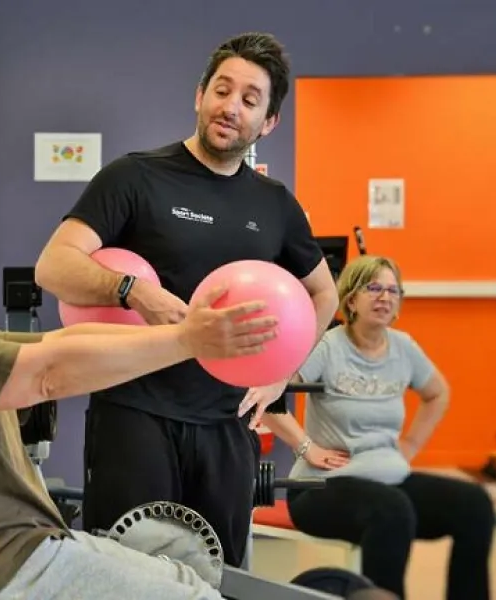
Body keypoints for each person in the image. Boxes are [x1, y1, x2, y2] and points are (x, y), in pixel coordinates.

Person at [0, 169, 285, 600]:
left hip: (9, 548)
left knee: (190, 576)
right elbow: (47, 374)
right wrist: (188, 341)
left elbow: (59, 342)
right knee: (199, 597)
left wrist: (177, 330)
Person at [34, 31, 340, 568]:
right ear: (199, 95)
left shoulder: (274, 205)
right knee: (130, 573)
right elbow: (54, 265)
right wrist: (130, 289)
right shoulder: (134, 177)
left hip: (227, 422)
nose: (231, 107)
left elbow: (323, 294)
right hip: (135, 411)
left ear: (267, 123)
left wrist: (277, 376)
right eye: (222, 90)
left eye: (250, 99)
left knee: (217, 575)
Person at [262, 255, 496, 600]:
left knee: (474, 503)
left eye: (392, 290)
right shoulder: (328, 346)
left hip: (388, 482)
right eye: (374, 288)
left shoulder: (403, 348)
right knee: (391, 509)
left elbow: (438, 393)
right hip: (320, 488)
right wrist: (306, 447)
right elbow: (268, 397)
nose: (385, 297)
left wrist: (411, 445)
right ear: (351, 299)